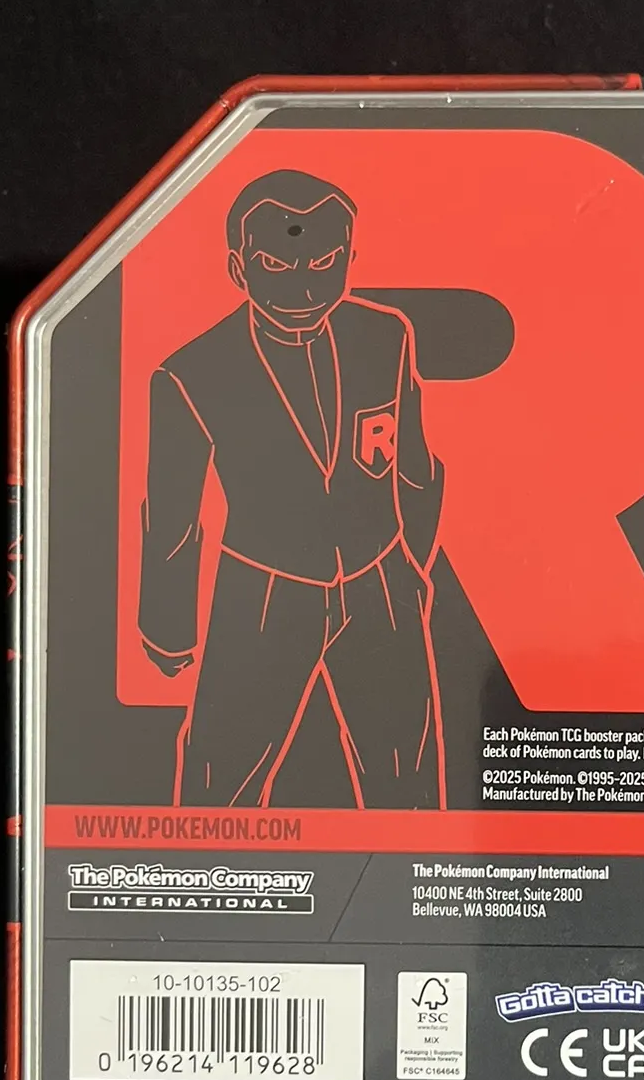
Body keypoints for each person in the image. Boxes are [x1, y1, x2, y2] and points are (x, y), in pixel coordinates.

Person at [138, 169, 444, 807]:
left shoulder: (387, 334)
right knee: (218, 789)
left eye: (325, 262)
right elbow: (173, 517)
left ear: (351, 259)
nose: (303, 287)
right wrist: (168, 632)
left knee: (409, 786)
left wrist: (410, 569)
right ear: (238, 268)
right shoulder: (189, 373)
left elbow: (415, 465)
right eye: (276, 265)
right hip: (263, 592)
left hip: (381, 583)